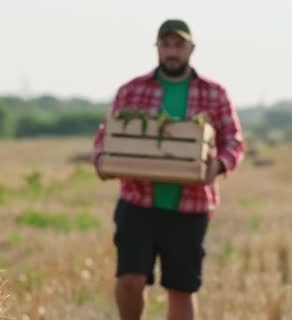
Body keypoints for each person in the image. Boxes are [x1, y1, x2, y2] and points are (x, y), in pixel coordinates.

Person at [92, 19, 245, 320]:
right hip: (137, 202)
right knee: (129, 280)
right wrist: (101, 161)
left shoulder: (214, 93)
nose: (172, 52)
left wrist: (219, 164)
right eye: (166, 45)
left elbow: (234, 142)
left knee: (180, 288)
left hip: (190, 206)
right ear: (157, 48)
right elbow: (105, 136)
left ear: (191, 48)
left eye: (179, 45)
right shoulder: (132, 91)